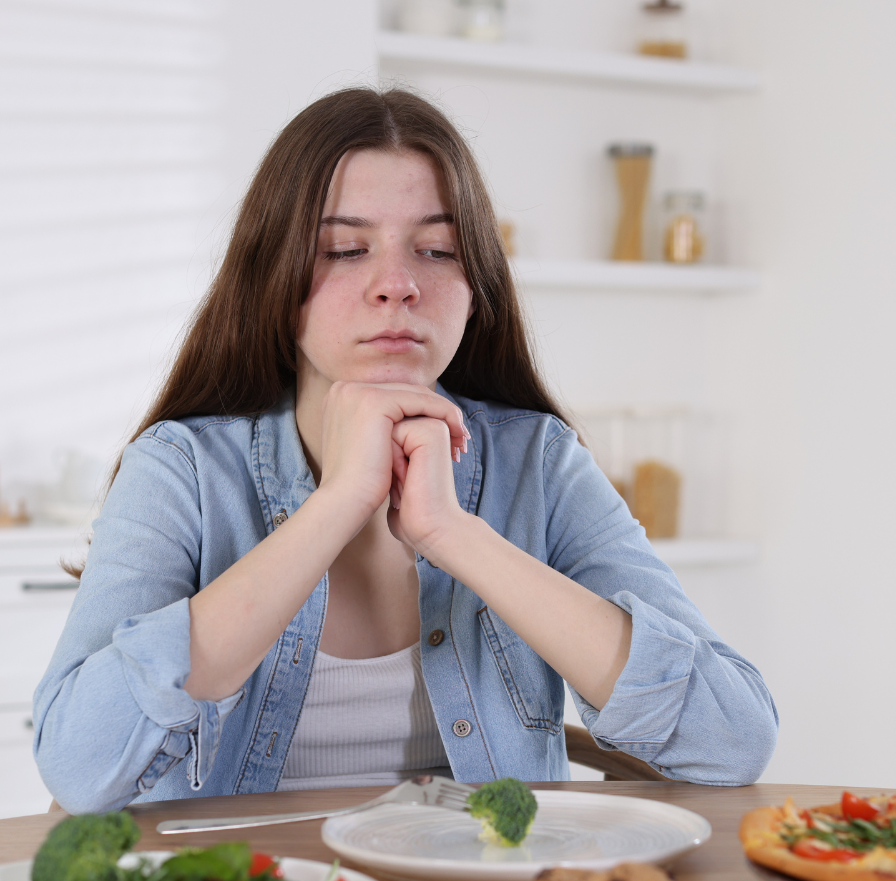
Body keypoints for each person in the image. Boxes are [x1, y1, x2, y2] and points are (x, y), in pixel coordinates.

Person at [34, 89, 778, 815]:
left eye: (437, 250)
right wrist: (335, 507)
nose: (397, 286)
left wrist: (452, 534)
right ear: (274, 281)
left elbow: (733, 739)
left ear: (476, 286)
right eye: (345, 249)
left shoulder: (539, 463)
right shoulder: (182, 469)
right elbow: (80, 766)